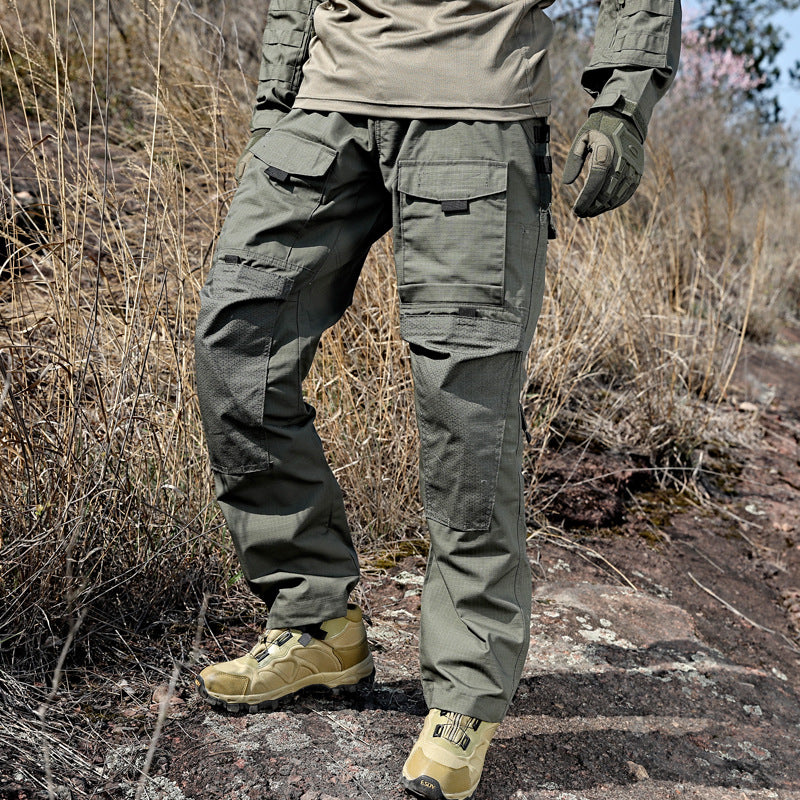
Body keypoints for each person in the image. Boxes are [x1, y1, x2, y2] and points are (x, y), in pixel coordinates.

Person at [193, 1, 681, 797]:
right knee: (235, 351)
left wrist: (622, 101)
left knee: (465, 408)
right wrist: (276, 102)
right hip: (326, 104)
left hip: (476, 111)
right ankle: (317, 620)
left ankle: (464, 692)